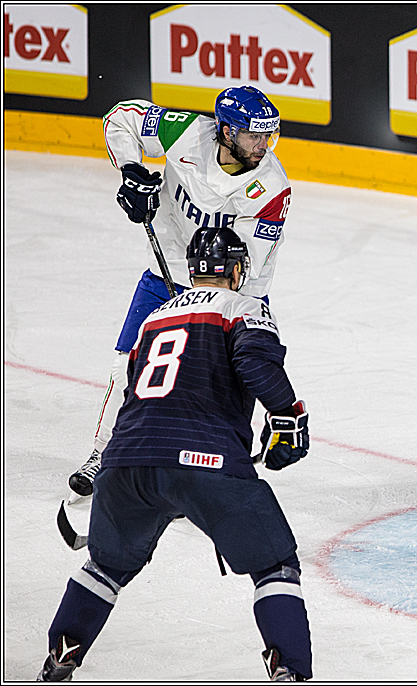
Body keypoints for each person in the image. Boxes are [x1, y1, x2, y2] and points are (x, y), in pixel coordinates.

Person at [38, 227, 312, 682]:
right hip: (205, 459)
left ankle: (59, 659)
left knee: (105, 566)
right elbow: (254, 363)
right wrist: (288, 415)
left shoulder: (154, 318)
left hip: (127, 459)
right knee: (275, 566)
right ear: (239, 270)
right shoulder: (244, 307)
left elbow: (132, 391)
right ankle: (290, 671)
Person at [69, 85, 293, 497]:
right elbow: (120, 117)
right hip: (166, 273)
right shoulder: (184, 131)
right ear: (226, 132)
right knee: (128, 368)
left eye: (268, 135)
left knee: (227, 382)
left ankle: (227, 467)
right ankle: (105, 453)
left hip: (235, 295)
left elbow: (245, 264)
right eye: (253, 135)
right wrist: (132, 173)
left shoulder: (271, 188)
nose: (263, 145)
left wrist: (193, 295)